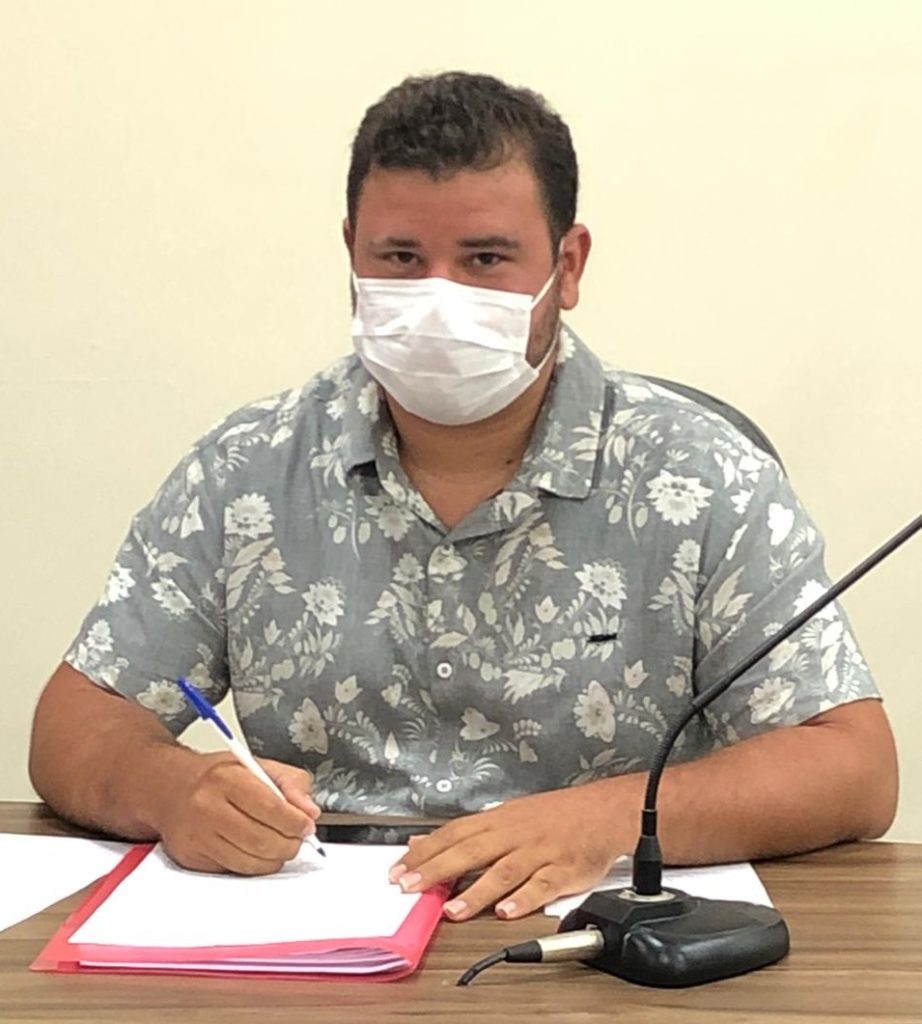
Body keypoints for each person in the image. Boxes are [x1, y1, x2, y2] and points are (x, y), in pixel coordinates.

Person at [29, 71, 897, 924]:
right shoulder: (247, 467)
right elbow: (75, 725)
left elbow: (853, 768)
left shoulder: (705, 477)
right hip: (311, 944)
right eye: (401, 259)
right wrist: (173, 788)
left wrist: (607, 818)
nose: (439, 297)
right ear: (351, 255)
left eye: (485, 259)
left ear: (567, 264)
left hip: (592, 948)